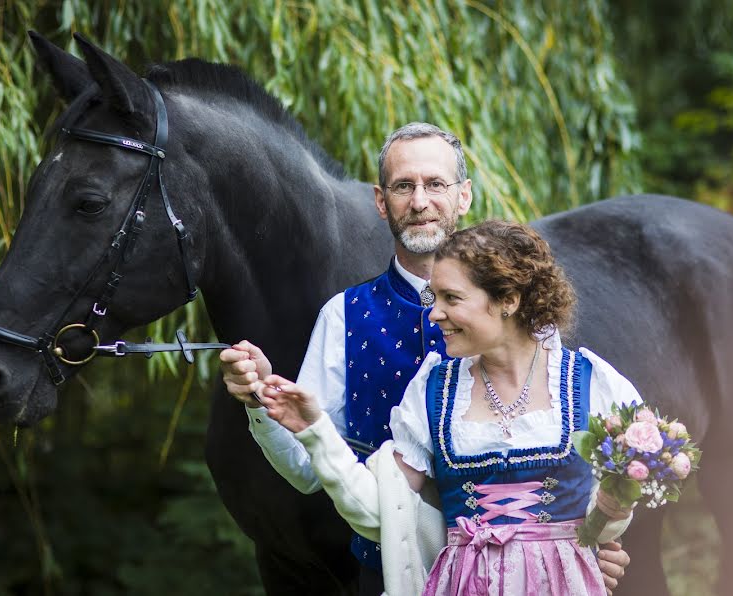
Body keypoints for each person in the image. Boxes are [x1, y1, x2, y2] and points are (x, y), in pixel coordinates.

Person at [220, 123, 630, 594]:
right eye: (403, 186)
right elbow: (308, 470)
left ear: (464, 196)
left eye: (435, 184)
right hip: (393, 569)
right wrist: (262, 402)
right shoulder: (344, 316)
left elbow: (568, 462)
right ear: (381, 201)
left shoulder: (537, 332)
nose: (419, 202)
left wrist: (590, 540)